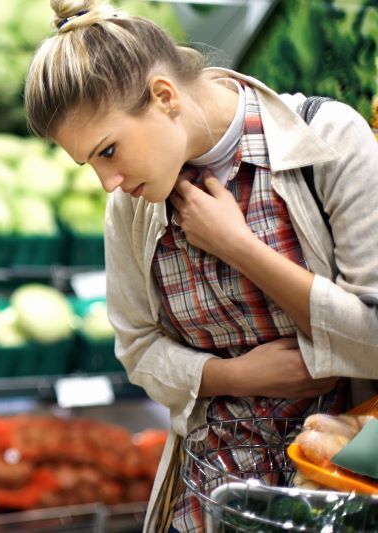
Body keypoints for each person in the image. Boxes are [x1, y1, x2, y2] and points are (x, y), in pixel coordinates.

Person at [23, 1, 378, 531]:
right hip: (201, 501)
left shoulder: (327, 140)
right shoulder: (132, 207)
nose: (107, 181)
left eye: (109, 150)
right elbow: (138, 346)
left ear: (164, 96)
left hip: (332, 499)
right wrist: (233, 376)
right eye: (91, 163)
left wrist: (239, 248)